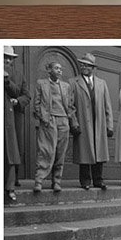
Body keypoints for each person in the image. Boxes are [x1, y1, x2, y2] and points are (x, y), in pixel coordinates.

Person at [33, 60, 79, 194]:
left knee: (60, 151)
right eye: (56, 68)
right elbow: (36, 103)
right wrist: (43, 117)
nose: (60, 71)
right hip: (49, 120)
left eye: (60, 69)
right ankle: (39, 180)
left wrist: (73, 121)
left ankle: (57, 181)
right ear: (49, 70)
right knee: (46, 150)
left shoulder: (66, 86)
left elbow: (70, 106)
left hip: (63, 120)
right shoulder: (41, 84)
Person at [70, 52, 114, 190]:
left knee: (99, 151)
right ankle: (85, 180)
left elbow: (108, 106)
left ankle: (98, 180)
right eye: (82, 64)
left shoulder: (102, 83)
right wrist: (74, 122)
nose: (84, 66)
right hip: (83, 122)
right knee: (84, 152)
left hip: (99, 122)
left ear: (93, 68)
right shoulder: (73, 82)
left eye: (87, 65)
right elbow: (70, 105)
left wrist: (109, 125)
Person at [3, 45, 26, 204]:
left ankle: (9, 189)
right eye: (5, 56)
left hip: (10, 118)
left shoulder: (17, 74)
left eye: (10, 58)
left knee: (10, 153)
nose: (8, 60)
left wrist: (6, 80)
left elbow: (20, 92)